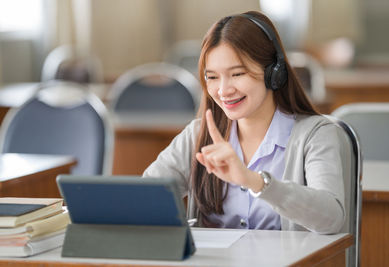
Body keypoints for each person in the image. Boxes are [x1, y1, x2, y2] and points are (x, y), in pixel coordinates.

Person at [143, 11, 350, 234]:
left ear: (274, 72)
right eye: (212, 77)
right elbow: (144, 197)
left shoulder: (315, 135)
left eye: (237, 74)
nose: (223, 90)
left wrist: (257, 182)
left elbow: (332, 218)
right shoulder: (198, 136)